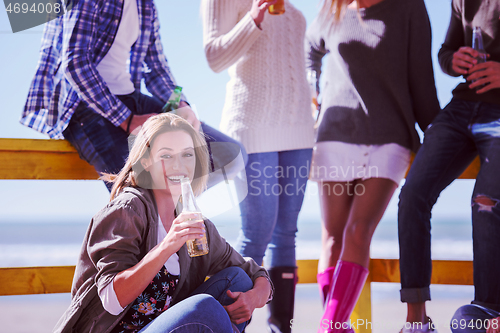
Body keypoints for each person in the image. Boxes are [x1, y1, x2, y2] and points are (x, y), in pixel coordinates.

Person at [53, 113, 273, 333]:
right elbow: (111, 299)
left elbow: (254, 273)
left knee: (238, 280)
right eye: (166, 156)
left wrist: (255, 297)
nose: (178, 165)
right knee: (205, 308)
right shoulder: (127, 210)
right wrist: (167, 246)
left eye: (187, 155)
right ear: (146, 162)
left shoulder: (196, 223)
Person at [305, 0, 440, 332]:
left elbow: (421, 78)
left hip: (389, 138)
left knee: (359, 231)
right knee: (332, 240)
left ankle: (330, 326)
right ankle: (337, 326)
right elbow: (310, 50)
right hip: (334, 135)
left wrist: (439, 136)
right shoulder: (332, 8)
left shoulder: (409, 7)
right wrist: (313, 90)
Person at [21, 0, 246, 191]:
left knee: (229, 154)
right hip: (83, 108)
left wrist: (181, 102)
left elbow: (156, 66)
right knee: (135, 192)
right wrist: (127, 120)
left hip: (130, 98)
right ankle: (154, 217)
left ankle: (170, 207)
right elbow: (75, 65)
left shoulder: (145, 5)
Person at [200, 1, 316, 332]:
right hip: (252, 127)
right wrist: (254, 17)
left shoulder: (292, 11)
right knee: (257, 233)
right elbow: (214, 58)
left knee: (286, 235)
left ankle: (282, 327)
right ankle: (231, 327)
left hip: (299, 132)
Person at [398, 0, 500, 332]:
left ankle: (486, 316)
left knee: (485, 203)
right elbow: (445, 52)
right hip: (461, 109)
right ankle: (417, 322)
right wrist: (453, 60)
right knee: (412, 195)